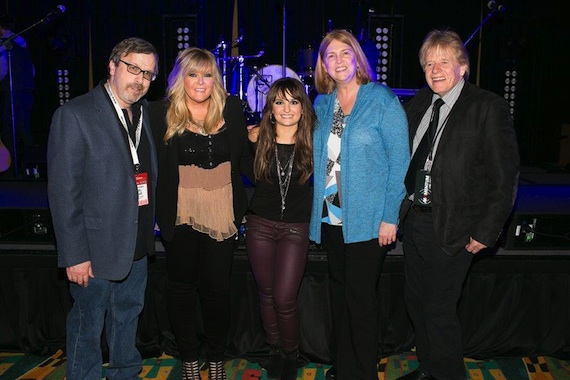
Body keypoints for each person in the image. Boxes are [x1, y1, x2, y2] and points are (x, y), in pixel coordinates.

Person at [397, 30, 520, 380]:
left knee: (438, 310)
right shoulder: (420, 102)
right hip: (416, 220)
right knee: (416, 304)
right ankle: (427, 369)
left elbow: (504, 176)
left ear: (462, 67)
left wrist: (487, 230)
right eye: (429, 63)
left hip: (455, 226)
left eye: (444, 62)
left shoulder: (487, 106)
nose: (435, 70)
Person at [47, 37, 159, 379]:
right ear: (112, 66)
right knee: (87, 325)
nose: (139, 79)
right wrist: (74, 254)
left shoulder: (143, 114)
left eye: (148, 74)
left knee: (128, 317)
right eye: (133, 68)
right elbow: (64, 192)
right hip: (93, 250)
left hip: (136, 242)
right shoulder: (74, 114)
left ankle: (125, 372)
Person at [310, 29, 410, 380]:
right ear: (323, 64)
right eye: (330, 56)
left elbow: (401, 163)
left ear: (357, 57)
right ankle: (344, 366)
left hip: (370, 221)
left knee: (361, 301)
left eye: (344, 53)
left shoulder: (381, 99)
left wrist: (389, 217)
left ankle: (363, 372)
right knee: (339, 295)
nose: (338, 61)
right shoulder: (323, 102)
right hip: (332, 217)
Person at [148, 47, 253, 380]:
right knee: (181, 289)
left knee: (218, 291)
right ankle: (190, 360)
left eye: (207, 74)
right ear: (180, 77)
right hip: (180, 210)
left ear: (215, 79)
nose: (200, 81)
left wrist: (275, 141)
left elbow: (246, 163)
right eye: (192, 74)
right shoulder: (159, 112)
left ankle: (217, 359)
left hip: (222, 209)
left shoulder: (232, 108)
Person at [245, 77, 316, 380]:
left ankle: (291, 352)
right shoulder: (255, 138)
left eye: (294, 101)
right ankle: (275, 349)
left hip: (295, 230)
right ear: (270, 108)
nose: (287, 108)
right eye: (279, 101)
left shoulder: (315, 138)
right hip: (259, 225)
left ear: (303, 107)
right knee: (266, 293)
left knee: (285, 297)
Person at [0, 14, 35, 176]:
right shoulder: (22, 44)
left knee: (8, 129)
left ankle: (11, 167)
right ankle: (31, 167)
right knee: (23, 127)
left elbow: (2, 70)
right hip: (26, 91)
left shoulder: (3, 45)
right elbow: (32, 71)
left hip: (11, 91)